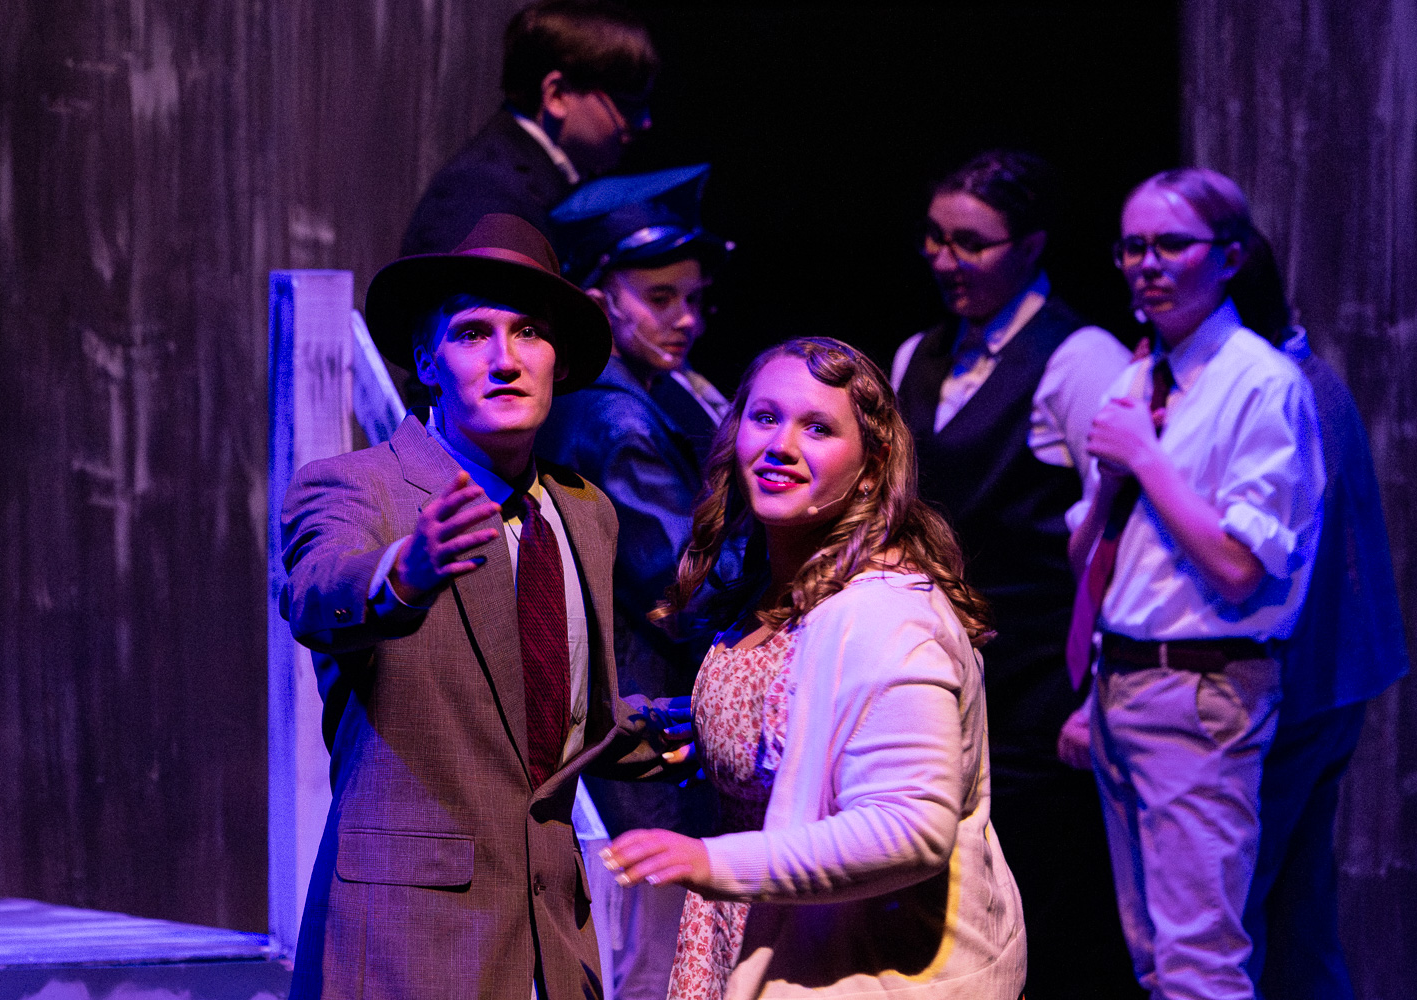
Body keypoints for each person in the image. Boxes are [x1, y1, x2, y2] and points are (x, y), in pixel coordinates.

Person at [280, 213, 677, 999]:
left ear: (560, 362)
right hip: (405, 945)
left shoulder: (584, 511)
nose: (506, 360)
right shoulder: (360, 487)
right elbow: (317, 592)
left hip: (552, 944)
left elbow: (558, 721)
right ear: (428, 361)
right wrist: (403, 570)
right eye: (473, 334)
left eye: (529, 333)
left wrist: (675, 732)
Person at [603, 338, 1028, 1000]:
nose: (782, 445)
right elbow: (802, 719)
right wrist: (712, 733)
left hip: (869, 968)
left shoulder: (886, 613)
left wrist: (710, 859)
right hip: (772, 938)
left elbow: (909, 828)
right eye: (765, 417)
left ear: (872, 466)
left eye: (819, 428)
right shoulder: (778, 585)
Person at [1064, 169, 1324, 1000]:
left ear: (1231, 256)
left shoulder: (1262, 384)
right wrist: (1114, 477)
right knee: (1154, 961)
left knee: (1200, 964)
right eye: (1132, 247)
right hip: (1123, 681)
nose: (1148, 264)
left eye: (1172, 244)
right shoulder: (1137, 381)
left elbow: (1242, 567)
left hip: (1202, 690)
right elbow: (1088, 559)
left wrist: (1146, 458)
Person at [889, 148, 1137, 997]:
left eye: (971, 243)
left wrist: (1095, 688)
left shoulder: (1080, 357)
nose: (944, 259)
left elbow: (1122, 529)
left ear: (1031, 247)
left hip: (1039, 684)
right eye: (934, 238)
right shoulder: (917, 354)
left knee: (1042, 901)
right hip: (942, 674)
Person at [536, 164, 734, 1000]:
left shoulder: (637, 396)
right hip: (644, 718)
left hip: (625, 722)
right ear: (598, 302)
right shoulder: (617, 418)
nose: (685, 319)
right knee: (655, 963)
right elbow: (681, 585)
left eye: (693, 299)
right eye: (660, 298)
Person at [1228, 237, 1410, 1000]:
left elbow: (1275, 563)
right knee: (1301, 913)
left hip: (1297, 688)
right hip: (1334, 680)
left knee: (1236, 916)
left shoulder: (1279, 395)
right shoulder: (1309, 378)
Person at [400, 0, 658, 255]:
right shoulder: (481, 192)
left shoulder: (530, 182)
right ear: (557, 96)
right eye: (629, 104)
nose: (646, 122)